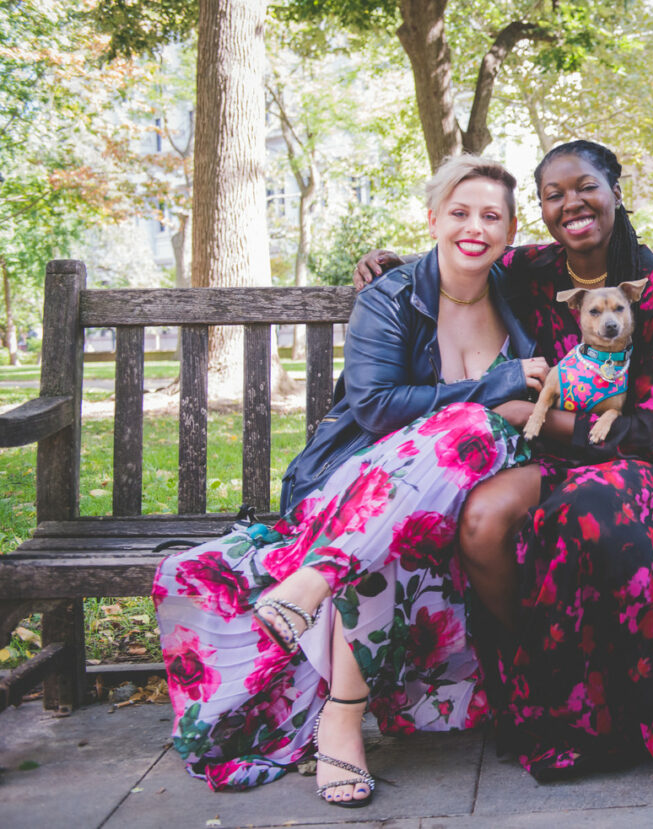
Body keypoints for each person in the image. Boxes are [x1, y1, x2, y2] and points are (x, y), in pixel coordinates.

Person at [354, 140, 653, 801]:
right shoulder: (533, 270)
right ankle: (544, 692)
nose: (570, 203)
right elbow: (466, 250)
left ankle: (630, 710)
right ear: (542, 210)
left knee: (591, 508)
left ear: (614, 193)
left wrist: (533, 416)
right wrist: (397, 265)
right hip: (558, 457)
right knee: (485, 519)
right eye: (554, 194)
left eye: (586, 188)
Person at [153, 156, 552, 807]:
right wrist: (497, 386)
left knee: (467, 432)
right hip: (372, 484)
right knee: (419, 492)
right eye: (459, 212)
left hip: (476, 488)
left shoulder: (519, 288)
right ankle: (341, 715)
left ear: (511, 230)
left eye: (491, 216)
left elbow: (589, 246)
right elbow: (375, 407)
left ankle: (316, 585)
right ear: (433, 218)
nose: (475, 227)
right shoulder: (394, 295)